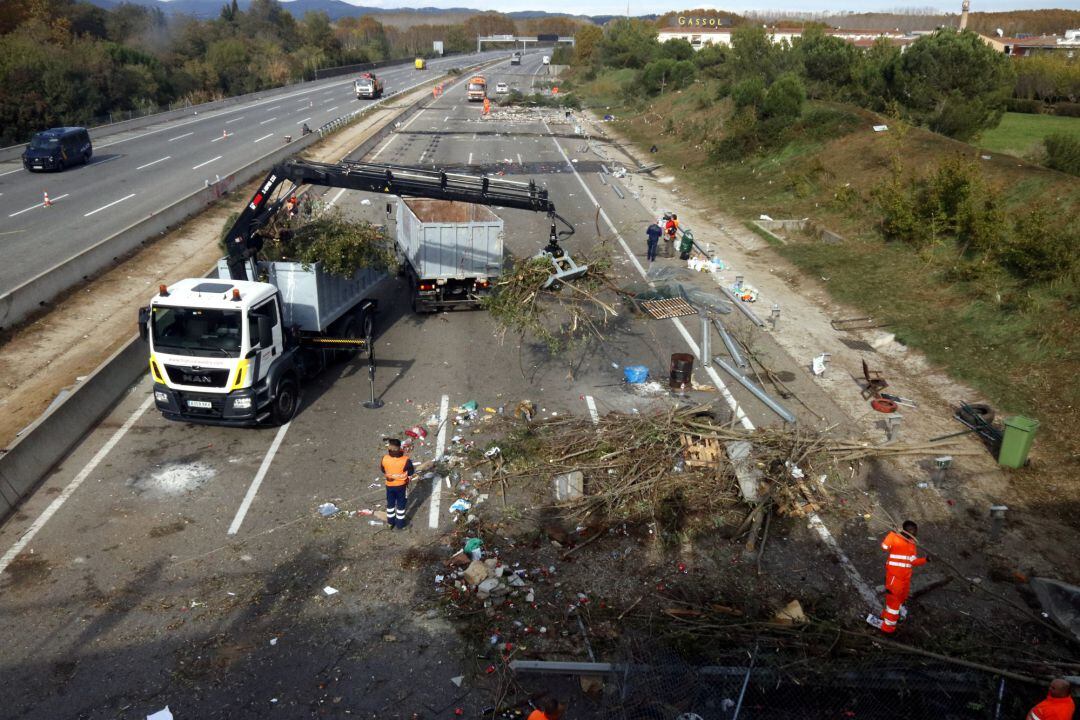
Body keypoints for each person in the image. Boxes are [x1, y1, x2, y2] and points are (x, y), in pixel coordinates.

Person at [866, 520, 929, 633]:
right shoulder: (895, 537)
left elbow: (912, 561)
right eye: (910, 530)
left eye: (914, 530)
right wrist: (892, 534)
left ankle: (886, 616)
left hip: (905, 579)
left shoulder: (911, 544)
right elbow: (884, 546)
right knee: (894, 604)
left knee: (900, 599)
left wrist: (925, 560)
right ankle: (888, 628)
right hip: (895, 578)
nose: (913, 532)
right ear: (904, 530)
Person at [380, 438, 414, 530]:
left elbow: (383, 469)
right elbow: (411, 471)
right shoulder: (405, 460)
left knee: (390, 504)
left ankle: (390, 523)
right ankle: (400, 524)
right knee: (401, 505)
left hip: (389, 486)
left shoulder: (385, 458)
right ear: (400, 448)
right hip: (401, 486)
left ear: (389, 448)